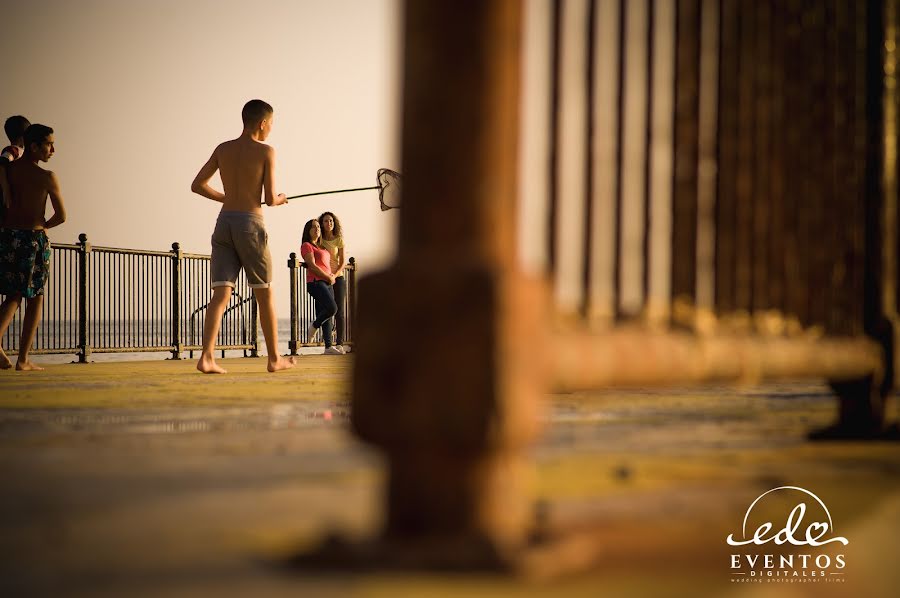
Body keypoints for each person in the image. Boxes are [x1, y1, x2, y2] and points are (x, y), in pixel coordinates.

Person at [190, 99, 295, 374]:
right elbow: (271, 198)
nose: (271, 130)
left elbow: (197, 185)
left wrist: (227, 197)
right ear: (262, 123)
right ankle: (274, 359)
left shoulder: (223, 149)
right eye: (271, 125)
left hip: (224, 223)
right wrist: (282, 199)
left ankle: (207, 357)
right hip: (250, 224)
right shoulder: (266, 151)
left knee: (220, 295)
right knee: (264, 293)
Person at [0, 124, 66, 370]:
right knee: (36, 297)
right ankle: (23, 359)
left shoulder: (7, 171)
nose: (53, 149)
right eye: (49, 144)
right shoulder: (47, 177)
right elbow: (61, 215)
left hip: (7, 236)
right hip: (33, 239)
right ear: (34, 146)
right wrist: (43, 226)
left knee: (13, 294)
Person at [300, 219, 342, 355]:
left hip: (327, 282)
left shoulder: (322, 247)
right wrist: (327, 277)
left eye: (318, 227)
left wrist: (331, 277)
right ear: (308, 230)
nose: (317, 229)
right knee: (332, 308)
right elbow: (312, 265)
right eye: (313, 227)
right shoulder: (306, 245)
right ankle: (314, 326)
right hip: (315, 282)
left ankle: (328, 347)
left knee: (328, 315)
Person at [318, 211, 348, 353]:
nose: (328, 223)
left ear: (334, 223)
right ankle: (328, 345)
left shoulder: (339, 240)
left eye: (331, 221)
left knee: (340, 311)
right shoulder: (319, 240)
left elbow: (342, 262)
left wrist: (335, 275)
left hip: (338, 277)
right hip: (324, 278)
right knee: (328, 310)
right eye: (325, 221)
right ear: (321, 224)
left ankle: (340, 343)